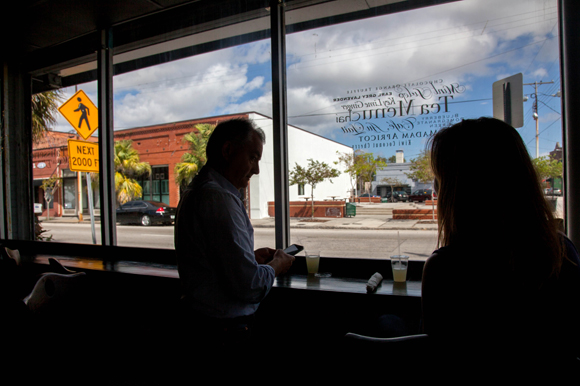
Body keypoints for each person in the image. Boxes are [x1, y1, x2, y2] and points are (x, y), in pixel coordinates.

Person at [421, 117, 580, 374]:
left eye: (440, 179)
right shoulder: (562, 251)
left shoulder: (446, 267)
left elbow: (440, 359)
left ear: (460, 189)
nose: (436, 189)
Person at [174, 117, 295, 359]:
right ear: (228, 151)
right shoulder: (218, 198)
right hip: (224, 333)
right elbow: (249, 286)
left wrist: (247, 258)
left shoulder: (197, 192)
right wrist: (276, 266)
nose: (257, 169)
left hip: (203, 324)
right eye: (252, 158)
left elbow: (209, 261)